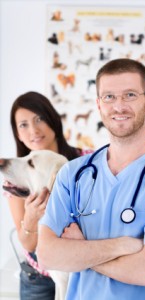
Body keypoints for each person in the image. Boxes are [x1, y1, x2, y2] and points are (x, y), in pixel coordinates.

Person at [37, 59, 145, 300]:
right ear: (99, 105)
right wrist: (123, 245)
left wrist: (81, 252)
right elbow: (48, 256)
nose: (119, 106)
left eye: (130, 95)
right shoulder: (73, 175)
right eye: (109, 97)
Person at [4, 91, 82, 300]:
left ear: (53, 120)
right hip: (38, 278)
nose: (33, 130)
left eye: (39, 119)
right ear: (18, 134)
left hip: (80, 273)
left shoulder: (85, 161)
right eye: (23, 125)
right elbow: (28, 245)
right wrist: (31, 217)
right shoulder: (18, 180)